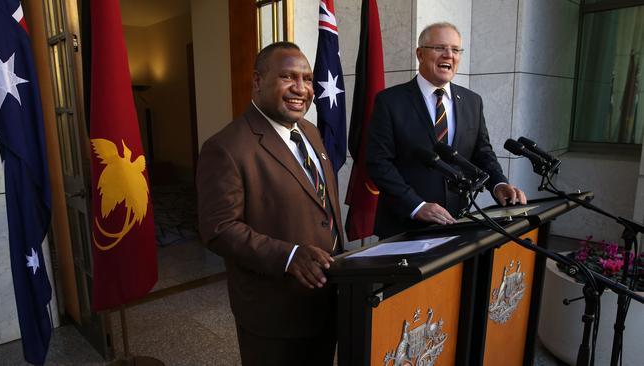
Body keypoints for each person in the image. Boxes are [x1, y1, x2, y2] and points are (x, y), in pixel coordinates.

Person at [196, 42, 343, 365]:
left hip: (325, 298)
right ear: (258, 81)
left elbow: (322, 208)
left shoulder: (310, 132)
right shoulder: (226, 147)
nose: (301, 89)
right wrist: (288, 256)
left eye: (306, 78)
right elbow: (219, 229)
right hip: (275, 314)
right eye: (288, 77)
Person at [367, 22, 527, 239]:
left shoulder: (472, 101)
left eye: (455, 50)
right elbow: (379, 162)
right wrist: (416, 206)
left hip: (457, 223)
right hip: (404, 226)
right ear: (420, 54)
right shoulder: (389, 101)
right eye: (440, 48)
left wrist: (498, 183)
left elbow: (483, 153)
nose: (448, 55)